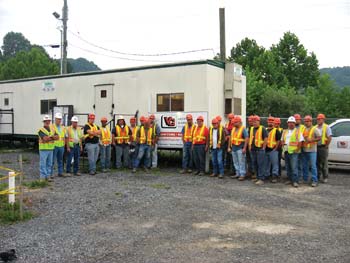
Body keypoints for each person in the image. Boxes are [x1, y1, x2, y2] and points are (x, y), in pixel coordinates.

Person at [281, 116, 304, 187]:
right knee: (288, 167)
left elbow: (301, 142)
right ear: (287, 123)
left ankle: (295, 181)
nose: (291, 124)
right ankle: (289, 179)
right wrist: (283, 148)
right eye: (290, 122)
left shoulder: (297, 131)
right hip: (286, 151)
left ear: (294, 123)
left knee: (294, 167)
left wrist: (297, 150)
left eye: (292, 123)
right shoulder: (285, 131)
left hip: (294, 152)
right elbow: (282, 140)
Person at [248, 115, 268, 185]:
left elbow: (266, 138)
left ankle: (261, 179)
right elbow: (251, 138)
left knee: (261, 164)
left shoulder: (263, 129)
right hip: (253, 149)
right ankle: (257, 177)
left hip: (260, 149)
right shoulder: (252, 129)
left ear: (259, 121)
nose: (254, 123)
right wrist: (250, 146)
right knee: (255, 164)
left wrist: (263, 148)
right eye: (253, 122)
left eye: (256, 121)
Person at [228, 116, 248, 181]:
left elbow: (247, 138)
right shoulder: (233, 129)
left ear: (239, 122)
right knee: (235, 162)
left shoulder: (243, 129)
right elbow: (230, 138)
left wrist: (244, 148)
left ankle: (242, 174)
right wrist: (229, 147)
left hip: (240, 148)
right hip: (234, 148)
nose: (234, 124)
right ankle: (238, 173)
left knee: (241, 162)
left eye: (235, 122)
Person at [302, 115, 321, 187]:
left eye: (307, 121)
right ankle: (305, 179)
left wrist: (312, 140)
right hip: (304, 150)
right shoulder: (303, 129)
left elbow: (319, 138)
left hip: (312, 150)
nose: (306, 123)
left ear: (311, 121)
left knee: (313, 166)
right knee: (305, 166)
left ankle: (314, 180)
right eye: (305, 121)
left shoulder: (315, 129)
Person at [38, 115, 57, 182]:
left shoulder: (52, 129)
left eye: (48, 121)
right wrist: (52, 137)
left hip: (51, 149)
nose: (47, 122)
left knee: (49, 163)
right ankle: (42, 177)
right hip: (43, 149)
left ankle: (48, 176)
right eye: (46, 121)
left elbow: (57, 137)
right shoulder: (41, 130)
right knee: (43, 163)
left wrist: (49, 138)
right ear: (44, 122)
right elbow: (45, 139)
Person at [316, 113, 332, 183]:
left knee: (324, 163)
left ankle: (325, 177)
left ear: (323, 119)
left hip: (323, 147)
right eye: (318, 119)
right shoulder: (315, 127)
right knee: (317, 163)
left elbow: (329, 137)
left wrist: (326, 145)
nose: (319, 120)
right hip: (316, 147)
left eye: (320, 119)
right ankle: (318, 176)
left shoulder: (327, 127)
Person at [265, 117, 281, 183]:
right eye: (269, 121)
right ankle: (267, 175)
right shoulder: (265, 129)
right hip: (266, 149)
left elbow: (278, 140)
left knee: (275, 164)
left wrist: (275, 148)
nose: (270, 123)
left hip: (273, 150)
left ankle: (275, 176)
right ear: (267, 122)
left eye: (271, 121)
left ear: (273, 122)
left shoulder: (276, 130)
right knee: (267, 164)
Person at [51, 112, 66, 178]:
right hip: (54, 146)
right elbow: (51, 136)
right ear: (55, 119)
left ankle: (60, 172)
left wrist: (64, 144)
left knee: (60, 160)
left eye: (60, 119)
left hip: (61, 146)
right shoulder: (52, 126)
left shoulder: (63, 127)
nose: (59, 120)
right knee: (52, 160)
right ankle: (51, 174)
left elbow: (64, 137)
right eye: (58, 119)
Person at [294, 114, 306, 180]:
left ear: (300, 120)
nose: (296, 121)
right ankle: (295, 177)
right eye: (295, 119)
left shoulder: (303, 127)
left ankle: (300, 177)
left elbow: (304, 137)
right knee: (295, 163)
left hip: (301, 147)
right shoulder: (292, 127)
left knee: (300, 163)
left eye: (297, 119)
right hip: (293, 148)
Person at [246, 115, 255, 179]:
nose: (250, 122)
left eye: (251, 121)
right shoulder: (248, 128)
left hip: (253, 147)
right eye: (249, 121)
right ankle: (249, 171)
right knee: (249, 160)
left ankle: (254, 173)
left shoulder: (255, 128)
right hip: (248, 146)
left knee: (253, 160)